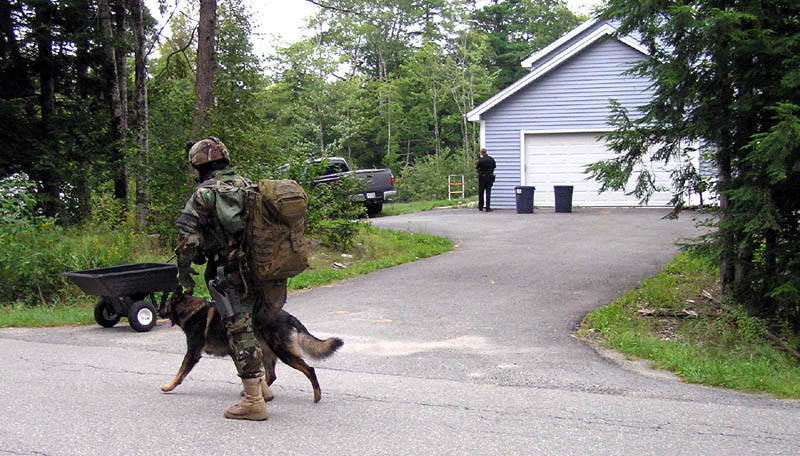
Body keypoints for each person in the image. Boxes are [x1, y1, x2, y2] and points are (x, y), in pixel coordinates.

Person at [175, 136, 287, 421]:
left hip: (230, 274)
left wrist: (184, 274)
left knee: (240, 330)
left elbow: (186, 240)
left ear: (199, 165)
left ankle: (254, 402)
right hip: (262, 270)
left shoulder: (204, 193)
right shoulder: (248, 184)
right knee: (255, 323)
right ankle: (262, 386)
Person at [476, 148, 496, 212]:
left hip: (482, 178)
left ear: (481, 153)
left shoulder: (480, 160)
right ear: (486, 152)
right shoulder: (491, 159)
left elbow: (477, 169)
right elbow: (494, 168)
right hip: (489, 177)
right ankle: (488, 207)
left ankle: (480, 207)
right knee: (488, 192)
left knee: (481, 192)